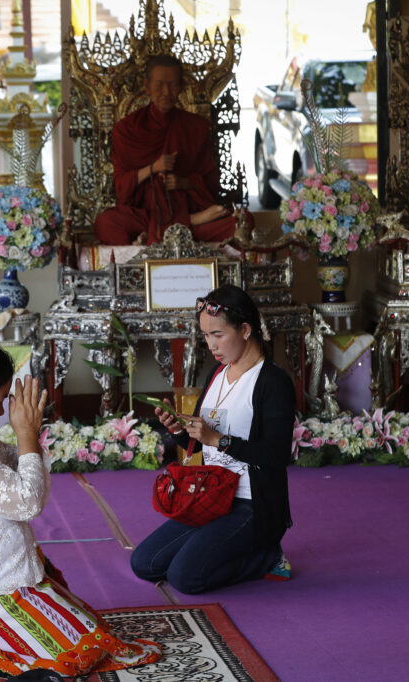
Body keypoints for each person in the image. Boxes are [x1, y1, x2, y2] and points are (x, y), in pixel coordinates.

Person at [0, 339, 161, 679]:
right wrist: (26, 432)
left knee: (95, 632)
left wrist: (28, 438)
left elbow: (22, 466)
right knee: (89, 649)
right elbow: (27, 501)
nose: (3, 412)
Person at [131, 285, 295, 593]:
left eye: (218, 335)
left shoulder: (272, 382)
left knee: (184, 578)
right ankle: (212, 544)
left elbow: (276, 455)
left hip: (251, 505)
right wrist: (180, 431)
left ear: (245, 330)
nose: (211, 345)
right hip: (211, 495)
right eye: (206, 336)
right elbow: (199, 443)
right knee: (145, 563)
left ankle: (268, 557)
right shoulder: (216, 375)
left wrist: (219, 440)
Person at [93, 54, 250, 245]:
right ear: (147, 86)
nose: (166, 92)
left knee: (245, 221)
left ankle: (156, 235)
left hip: (187, 208)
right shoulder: (126, 129)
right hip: (145, 214)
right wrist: (153, 168)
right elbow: (121, 188)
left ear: (181, 87)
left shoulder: (196, 127)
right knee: (105, 223)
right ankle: (181, 226)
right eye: (159, 85)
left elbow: (211, 183)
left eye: (173, 85)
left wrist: (184, 182)